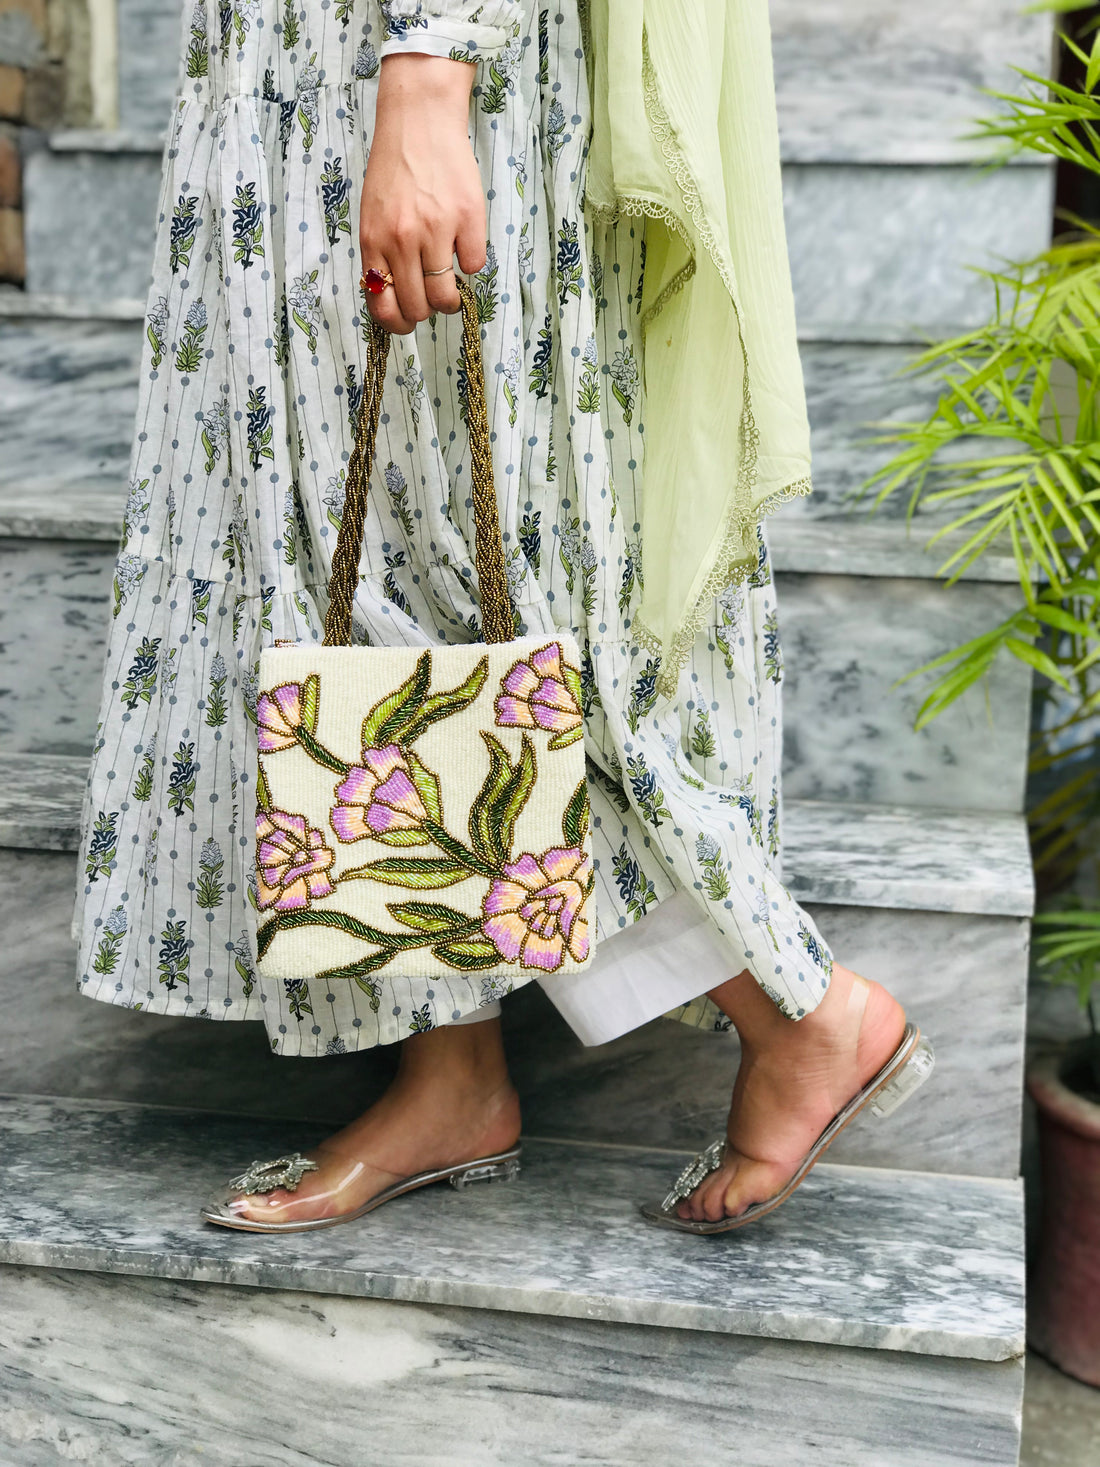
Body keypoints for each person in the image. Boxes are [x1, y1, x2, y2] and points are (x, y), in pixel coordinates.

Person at [72, 0, 932, 1237]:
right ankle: (448, 1070)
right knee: (339, 553)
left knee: (473, 569)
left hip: (404, 65)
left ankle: (796, 1009)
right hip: (275, 75)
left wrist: (432, 65)